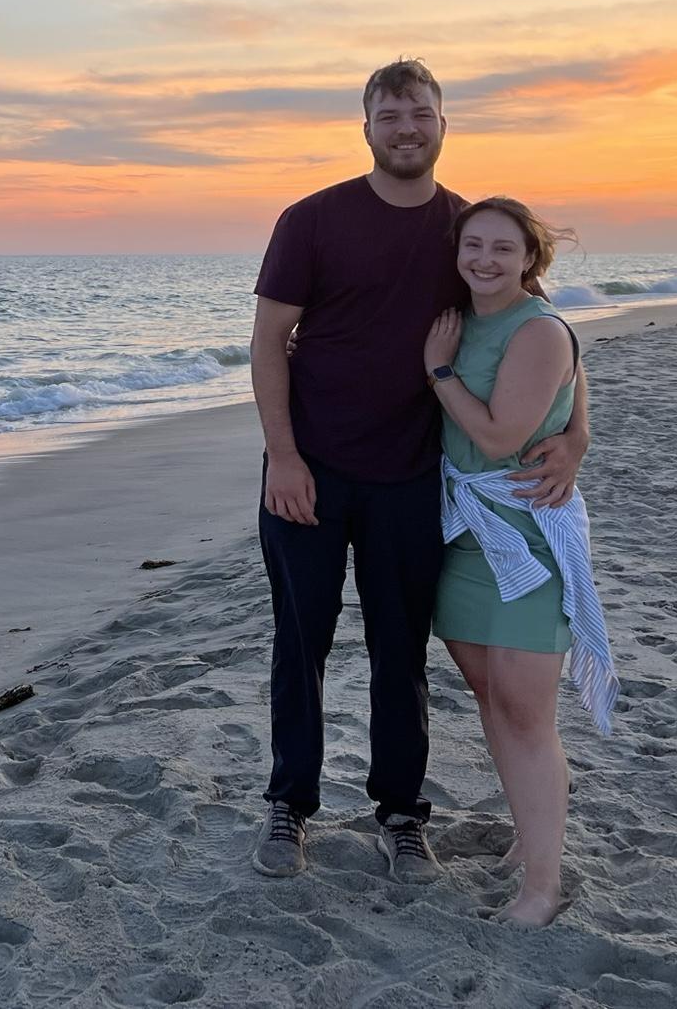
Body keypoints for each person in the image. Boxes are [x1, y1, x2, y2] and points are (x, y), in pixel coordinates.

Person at [249, 58, 590, 884]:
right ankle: (290, 805)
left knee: (400, 652)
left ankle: (401, 815)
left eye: (420, 115)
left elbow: (544, 329)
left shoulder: (464, 231)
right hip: (309, 471)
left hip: (411, 478)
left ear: (443, 124)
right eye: (390, 115)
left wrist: (577, 433)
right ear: (366, 126)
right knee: (302, 642)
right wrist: (284, 458)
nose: (406, 129)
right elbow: (267, 342)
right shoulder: (312, 219)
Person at [426, 197, 617, 926]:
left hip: (527, 533)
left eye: (503, 248)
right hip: (466, 532)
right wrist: (580, 427)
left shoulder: (534, 326)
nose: (485, 259)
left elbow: (503, 436)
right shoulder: (463, 318)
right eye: (472, 245)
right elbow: (574, 378)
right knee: (492, 697)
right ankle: (529, 835)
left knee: (526, 713)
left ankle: (542, 888)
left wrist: (440, 373)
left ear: (530, 258)